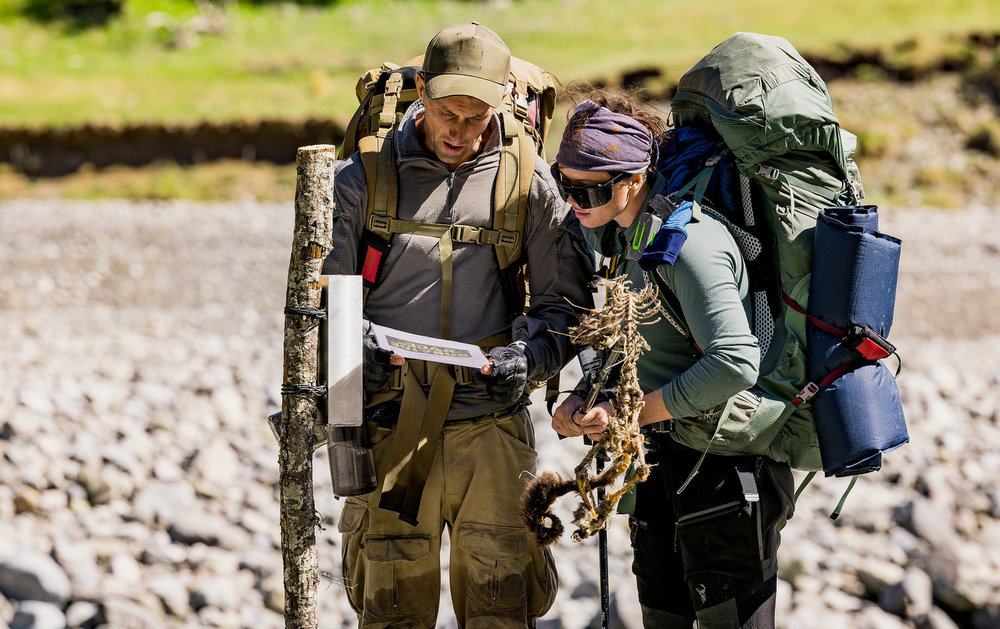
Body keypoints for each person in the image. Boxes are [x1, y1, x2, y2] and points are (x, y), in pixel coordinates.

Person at [322, 22, 594, 628]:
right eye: (447, 113)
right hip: (388, 426)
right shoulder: (361, 180)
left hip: (492, 434)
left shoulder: (528, 183)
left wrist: (534, 360)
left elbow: (566, 310)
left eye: (476, 119)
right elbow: (324, 305)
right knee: (389, 611)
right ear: (421, 89)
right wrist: (351, 351)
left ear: (501, 103)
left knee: (503, 610)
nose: (459, 133)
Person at [550, 91, 796, 628]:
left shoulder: (689, 245)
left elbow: (735, 361)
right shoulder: (622, 240)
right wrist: (587, 401)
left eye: (589, 187)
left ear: (634, 179)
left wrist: (631, 415)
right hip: (659, 469)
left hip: (722, 474)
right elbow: (641, 349)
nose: (574, 199)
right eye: (562, 181)